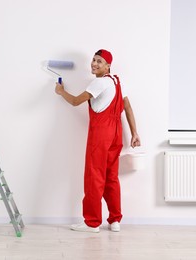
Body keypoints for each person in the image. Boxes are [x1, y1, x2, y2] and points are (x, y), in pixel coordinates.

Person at [55, 49, 141, 233]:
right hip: (116, 133)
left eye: (99, 61)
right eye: (93, 60)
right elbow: (127, 106)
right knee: (111, 177)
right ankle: (115, 220)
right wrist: (134, 133)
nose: (94, 64)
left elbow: (76, 101)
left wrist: (61, 92)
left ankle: (91, 222)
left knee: (95, 176)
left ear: (108, 66)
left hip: (101, 133)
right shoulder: (118, 81)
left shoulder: (99, 83)